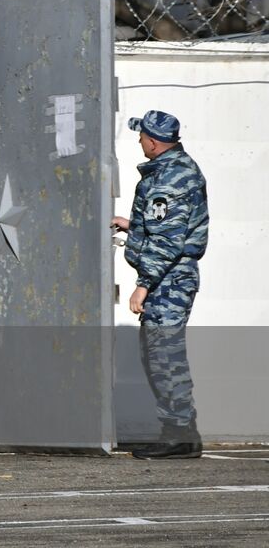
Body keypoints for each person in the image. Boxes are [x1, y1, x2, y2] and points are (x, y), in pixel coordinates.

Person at [111, 109, 208, 459]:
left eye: (141, 136)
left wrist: (144, 284)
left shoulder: (172, 179)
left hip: (168, 280)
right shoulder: (169, 172)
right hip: (167, 277)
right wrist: (131, 226)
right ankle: (180, 432)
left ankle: (179, 436)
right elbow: (160, 227)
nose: (139, 140)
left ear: (153, 141)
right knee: (157, 355)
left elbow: (167, 240)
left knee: (165, 357)